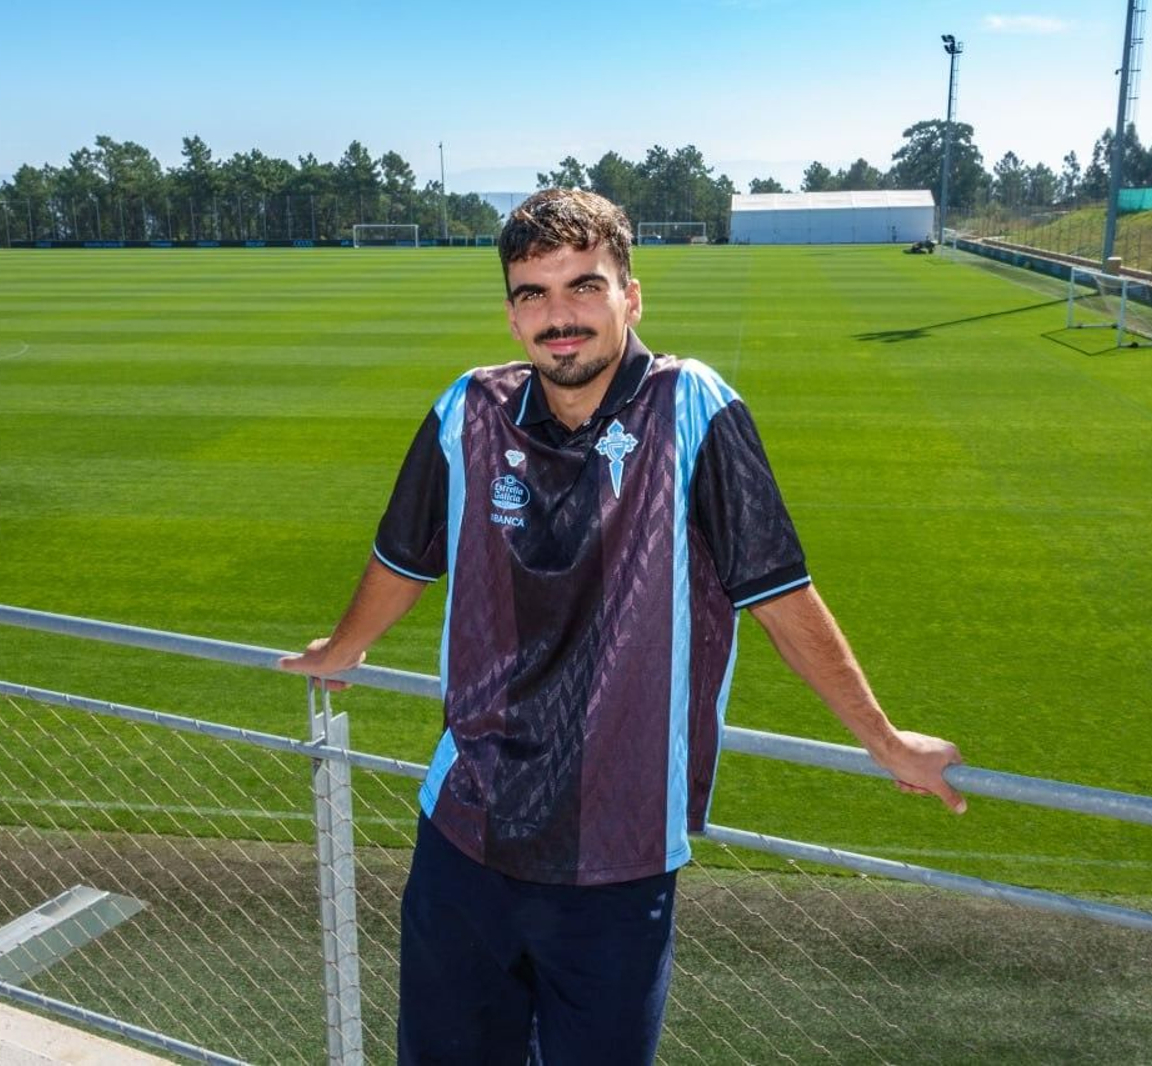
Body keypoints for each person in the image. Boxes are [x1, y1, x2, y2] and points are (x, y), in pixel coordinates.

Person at [280, 188, 965, 1065]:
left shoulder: (694, 408)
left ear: (631, 297)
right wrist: (346, 649)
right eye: (533, 293)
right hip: (465, 836)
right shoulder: (469, 409)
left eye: (583, 287)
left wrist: (885, 741)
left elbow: (781, 594)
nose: (558, 317)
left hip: (619, 855)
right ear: (510, 312)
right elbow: (402, 559)